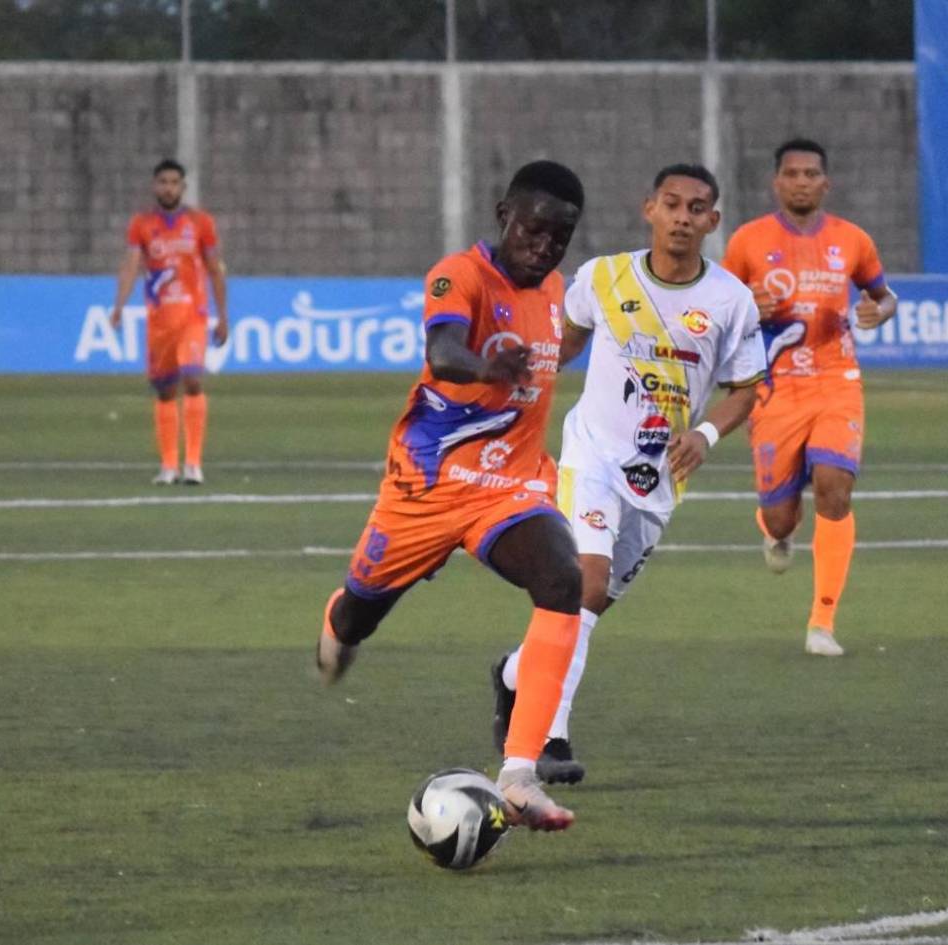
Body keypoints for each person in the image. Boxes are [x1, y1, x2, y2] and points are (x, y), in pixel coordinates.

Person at [315, 160, 587, 831]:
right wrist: (486, 367)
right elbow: (442, 350)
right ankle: (339, 623)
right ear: (503, 215)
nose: (544, 246)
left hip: (510, 485)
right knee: (356, 619)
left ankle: (518, 776)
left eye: (559, 237)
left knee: (563, 579)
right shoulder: (458, 274)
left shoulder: (557, 290)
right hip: (428, 487)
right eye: (533, 229)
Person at [490, 164, 766, 784]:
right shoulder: (603, 277)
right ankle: (548, 736)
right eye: (672, 203)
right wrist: (521, 377)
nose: (682, 217)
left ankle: (513, 674)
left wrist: (705, 434)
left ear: (713, 221)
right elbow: (565, 338)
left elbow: (748, 387)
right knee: (581, 583)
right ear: (650, 208)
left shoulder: (730, 301)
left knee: (589, 607)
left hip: (658, 478)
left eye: (696, 208)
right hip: (590, 457)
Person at [720, 138, 897, 657]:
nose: (802, 182)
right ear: (777, 182)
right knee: (780, 517)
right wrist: (747, 305)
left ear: (826, 183)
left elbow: (883, 295)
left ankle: (822, 622)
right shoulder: (748, 241)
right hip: (774, 389)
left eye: (811, 174)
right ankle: (776, 529)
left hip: (836, 380)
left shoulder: (852, 240)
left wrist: (879, 311)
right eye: (792, 174)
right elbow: (717, 309)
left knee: (834, 487)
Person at [110, 158, 229, 486]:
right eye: (163, 182)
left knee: (192, 379)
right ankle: (168, 465)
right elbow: (131, 265)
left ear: (183, 187)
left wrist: (223, 316)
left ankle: (193, 463)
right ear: (155, 186)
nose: (168, 188)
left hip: (193, 315)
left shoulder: (201, 222)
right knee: (164, 391)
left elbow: (215, 268)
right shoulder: (141, 224)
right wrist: (118, 306)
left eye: (174, 183)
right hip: (159, 320)